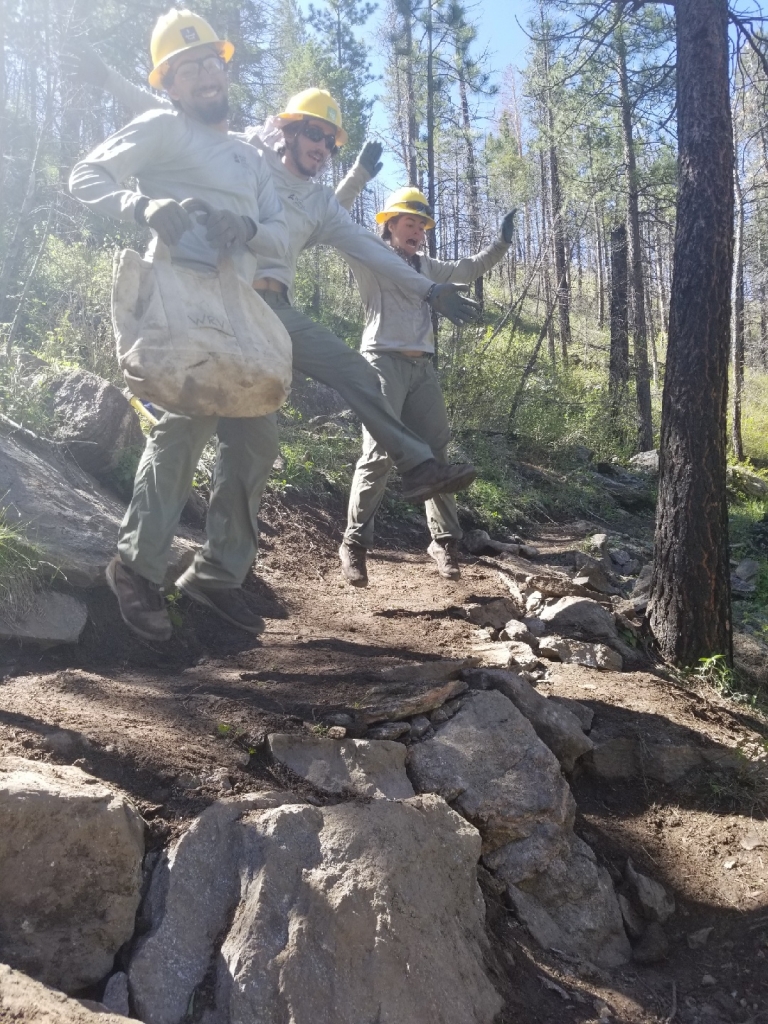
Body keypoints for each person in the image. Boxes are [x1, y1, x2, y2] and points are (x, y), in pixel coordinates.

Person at [68, 24, 481, 510]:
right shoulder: (249, 153)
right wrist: (110, 80)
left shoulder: (322, 204)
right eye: (312, 132)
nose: (322, 145)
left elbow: (370, 250)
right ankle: (150, 562)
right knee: (193, 424)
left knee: (272, 429)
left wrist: (430, 290)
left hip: (270, 315)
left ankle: (221, 572)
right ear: (286, 129)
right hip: (217, 293)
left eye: (330, 140)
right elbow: (174, 119)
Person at [69, 13, 294, 642]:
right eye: (185, 67)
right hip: (176, 302)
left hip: (238, 310)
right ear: (168, 83)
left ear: (225, 69)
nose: (202, 74)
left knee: (256, 444)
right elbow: (85, 176)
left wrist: (248, 229)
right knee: (182, 428)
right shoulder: (162, 126)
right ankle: (135, 568)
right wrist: (142, 204)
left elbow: (279, 228)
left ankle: (216, 578)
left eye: (209, 63)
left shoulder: (251, 157)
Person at [338, 188, 516, 586]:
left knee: (437, 455)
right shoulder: (370, 258)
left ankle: (445, 543)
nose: (417, 230)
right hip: (382, 361)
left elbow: (469, 268)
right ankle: (354, 543)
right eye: (409, 222)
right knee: (379, 453)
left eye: (422, 224)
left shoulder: (426, 266)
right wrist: (355, 180)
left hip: (423, 368)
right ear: (389, 225)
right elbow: (336, 220)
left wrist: (502, 243)